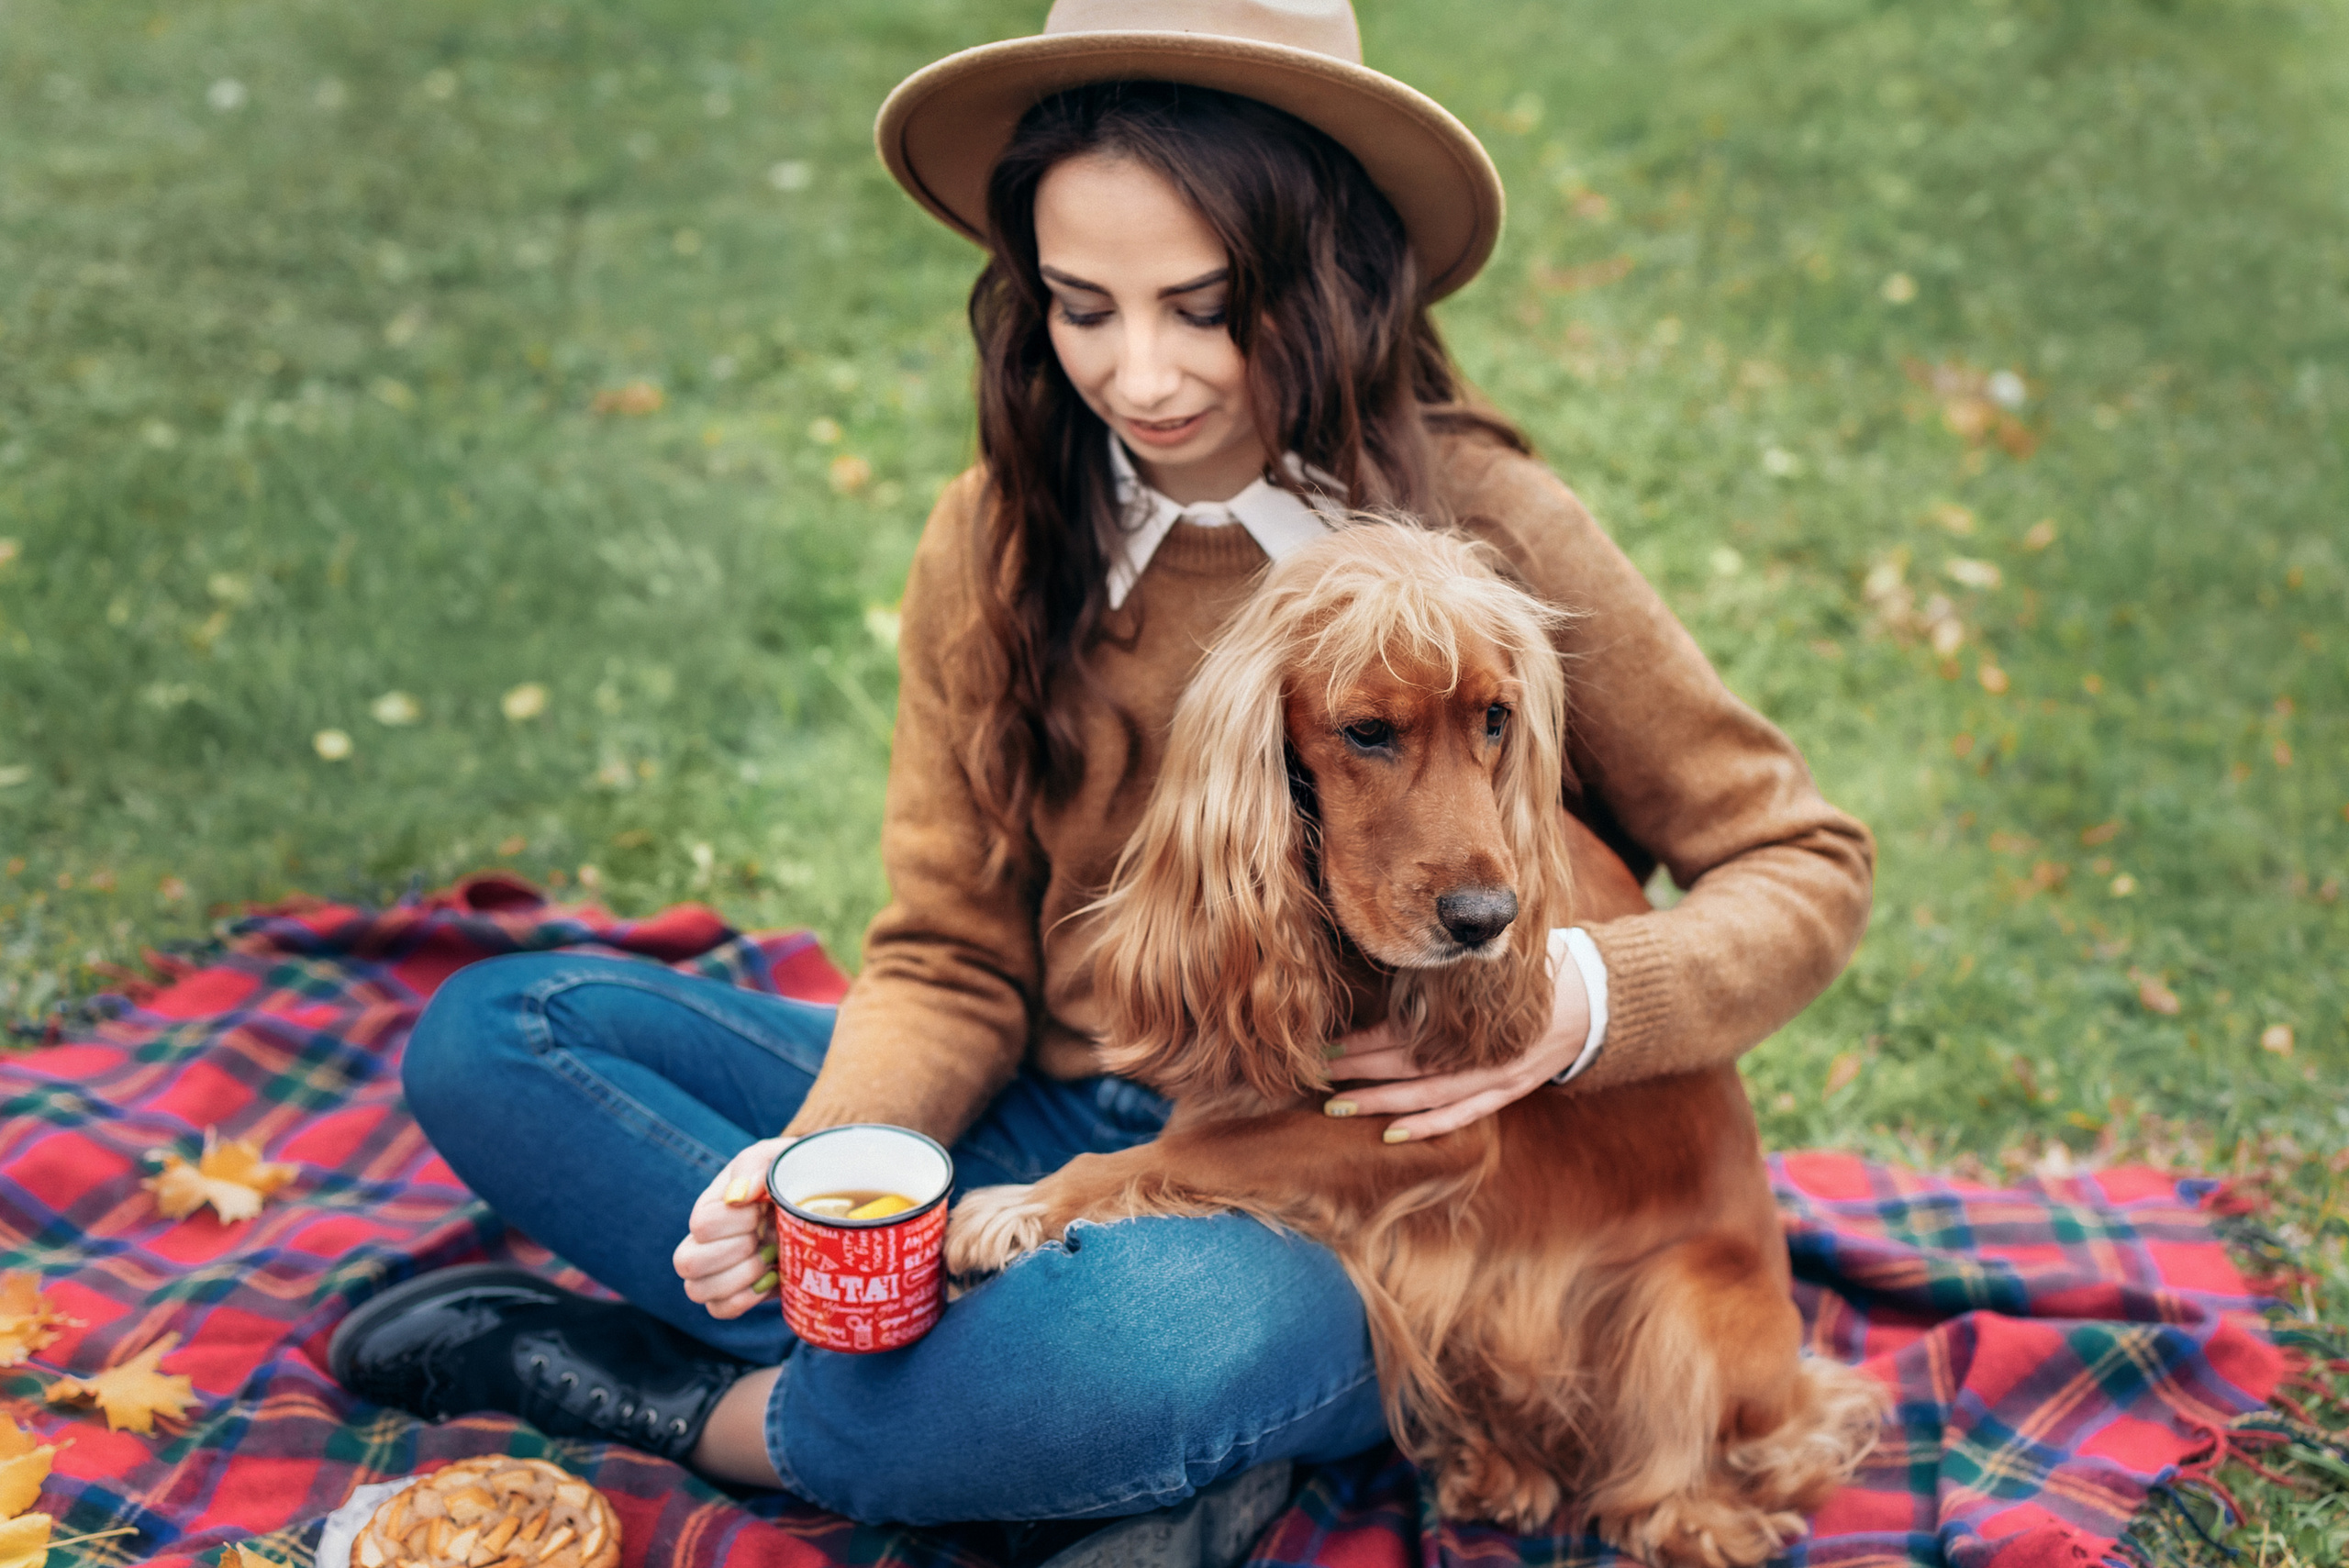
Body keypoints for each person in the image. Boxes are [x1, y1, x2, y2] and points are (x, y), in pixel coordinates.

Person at [330, 0, 1873, 1528]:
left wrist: (1581, 1005)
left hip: (1340, 1209)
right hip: (1049, 1125)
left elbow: (1802, 863)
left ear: (1325, 271)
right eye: (1085, 307)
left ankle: (698, 1405)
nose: (1142, 377)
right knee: (497, 1031)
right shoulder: (995, 542)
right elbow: (948, 954)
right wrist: (823, 1167)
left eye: (1204, 306)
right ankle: (1012, 1422)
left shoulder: (1480, 514)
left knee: (1146, 1348)